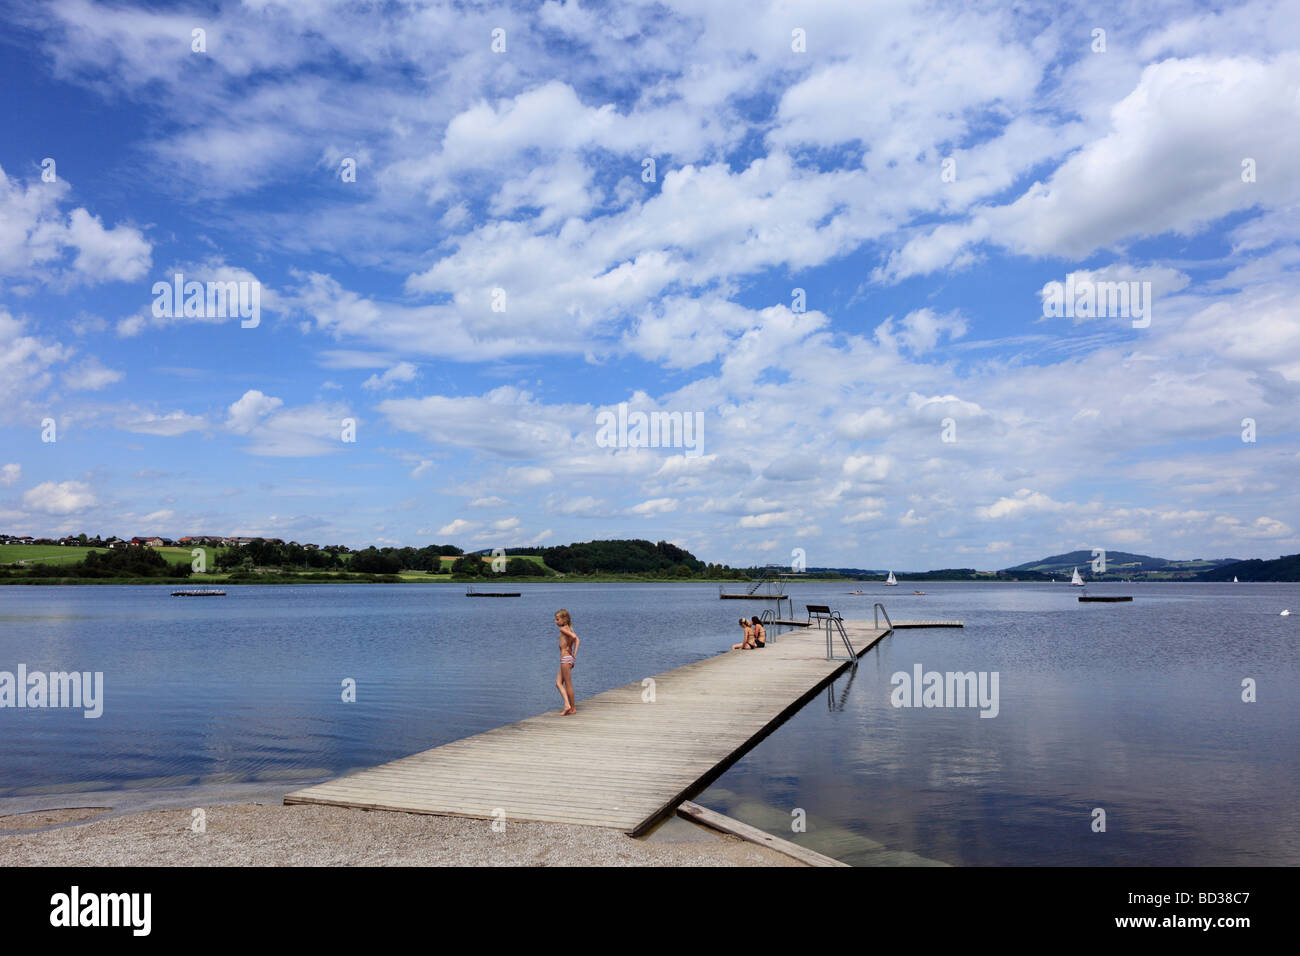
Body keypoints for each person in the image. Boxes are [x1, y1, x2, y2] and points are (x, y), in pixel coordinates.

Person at [554, 609, 579, 715]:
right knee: (558, 683)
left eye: (557, 619)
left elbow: (575, 638)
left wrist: (572, 653)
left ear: (564, 619)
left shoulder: (563, 629)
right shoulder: (570, 629)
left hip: (565, 659)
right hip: (568, 658)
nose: (556, 622)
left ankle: (568, 705)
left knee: (567, 684)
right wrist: (573, 655)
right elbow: (577, 640)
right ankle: (571, 707)